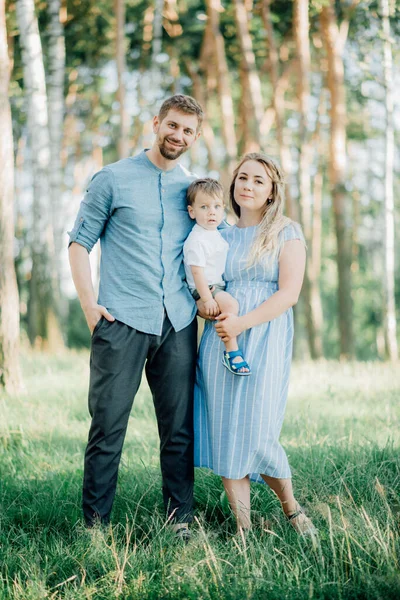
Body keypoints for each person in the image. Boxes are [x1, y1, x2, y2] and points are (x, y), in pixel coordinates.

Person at [68, 94, 204, 540]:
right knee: (108, 426)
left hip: (179, 322)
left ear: (195, 137)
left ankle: (179, 521)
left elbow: (216, 246)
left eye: (187, 130)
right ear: (155, 123)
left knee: (179, 430)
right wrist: (90, 305)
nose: (177, 136)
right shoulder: (113, 179)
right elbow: (79, 243)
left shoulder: (195, 191)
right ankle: (95, 528)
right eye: (172, 125)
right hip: (122, 319)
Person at [194, 152, 317, 536]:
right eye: (242, 178)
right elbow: (204, 289)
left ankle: (293, 511)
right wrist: (209, 307)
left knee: (259, 429)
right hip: (220, 344)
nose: (248, 185)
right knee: (228, 429)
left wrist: (242, 322)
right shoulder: (219, 235)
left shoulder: (286, 231)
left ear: (271, 192)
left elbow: (289, 293)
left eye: (258, 181)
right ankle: (243, 530)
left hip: (264, 336)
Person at [183, 178, 251, 376]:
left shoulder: (215, 233)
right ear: (192, 211)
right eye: (204, 207)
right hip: (204, 287)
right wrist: (206, 299)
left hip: (213, 285)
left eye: (216, 206)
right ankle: (232, 352)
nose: (211, 212)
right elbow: (197, 272)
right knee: (231, 306)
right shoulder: (197, 239)